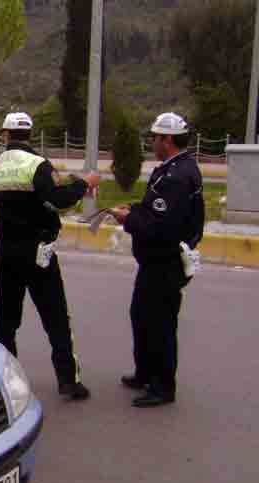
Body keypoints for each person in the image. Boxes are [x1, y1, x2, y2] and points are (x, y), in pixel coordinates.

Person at [0, 112, 99, 400]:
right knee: (55, 317)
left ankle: (4, 380)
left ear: (5, 134)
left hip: (7, 251)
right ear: (30, 133)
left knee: (6, 319)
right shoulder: (37, 164)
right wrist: (83, 184)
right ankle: (68, 381)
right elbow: (57, 199)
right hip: (37, 252)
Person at [109, 112, 204, 408]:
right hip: (153, 262)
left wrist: (128, 219)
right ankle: (145, 373)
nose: (152, 142)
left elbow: (161, 227)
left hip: (165, 262)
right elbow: (153, 210)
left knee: (160, 325)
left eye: (156, 137)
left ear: (168, 140)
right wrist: (135, 209)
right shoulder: (171, 169)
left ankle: (162, 386)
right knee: (141, 316)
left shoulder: (177, 177)